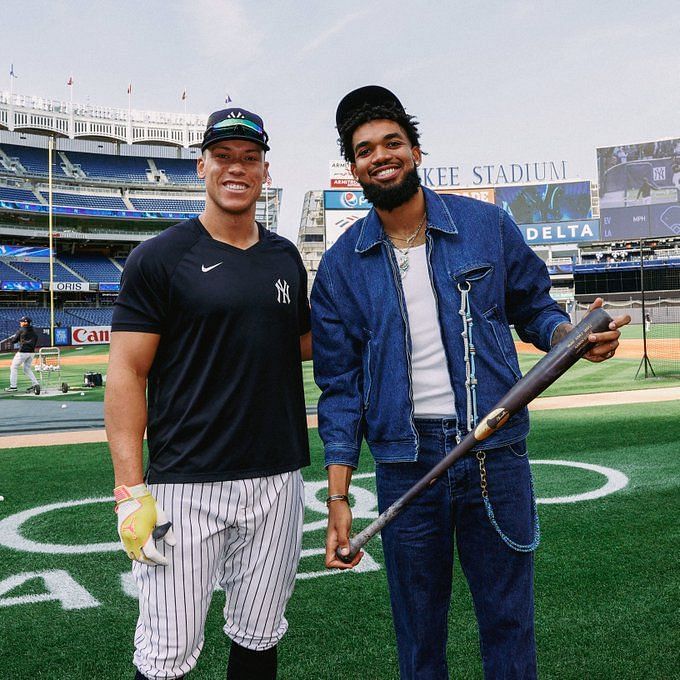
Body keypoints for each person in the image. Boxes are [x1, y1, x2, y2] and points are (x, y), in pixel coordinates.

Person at [311, 85, 630, 680]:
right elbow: (340, 390)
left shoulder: (486, 225)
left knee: (508, 626)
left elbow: (535, 307)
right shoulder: (339, 265)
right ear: (352, 167)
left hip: (495, 454)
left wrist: (570, 336)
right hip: (405, 462)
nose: (381, 155)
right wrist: (337, 498)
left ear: (415, 150)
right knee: (419, 636)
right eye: (364, 149)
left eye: (393, 142)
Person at [105, 107, 312, 680]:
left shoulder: (284, 256)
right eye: (223, 157)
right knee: (166, 653)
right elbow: (126, 371)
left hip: (277, 477)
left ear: (265, 171)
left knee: (259, 634)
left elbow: (300, 342)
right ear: (202, 166)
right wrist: (129, 490)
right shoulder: (160, 257)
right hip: (185, 484)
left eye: (250, 158)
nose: (236, 168)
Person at [4, 315, 40, 393]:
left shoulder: (21, 330)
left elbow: (14, 341)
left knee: (13, 367)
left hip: (23, 352)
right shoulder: (34, 330)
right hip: (31, 352)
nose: (20, 322)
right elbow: (36, 339)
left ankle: (13, 386)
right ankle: (35, 384)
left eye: (22, 321)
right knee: (27, 369)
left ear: (26, 322)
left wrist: (15, 338)